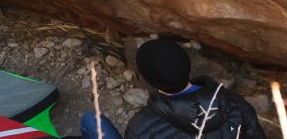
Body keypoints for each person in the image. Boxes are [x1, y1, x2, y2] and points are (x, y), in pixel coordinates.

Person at [79, 39, 266, 139]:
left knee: (91, 120)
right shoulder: (236, 104)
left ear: (150, 81)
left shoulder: (143, 127)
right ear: (187, 65)